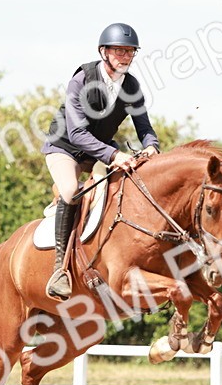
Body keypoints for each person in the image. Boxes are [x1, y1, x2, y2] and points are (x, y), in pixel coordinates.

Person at [41, 22, 161, 299]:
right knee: (72, 191)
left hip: (101, 150)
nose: (125, 56)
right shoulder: (82, 79)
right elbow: (77, 133)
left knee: (131, 184)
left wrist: (152, 146)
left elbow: (144, 126)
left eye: (130, 52)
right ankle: (60, 269)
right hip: (65, 147)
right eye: (119, 51)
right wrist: (115, 155)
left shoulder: (131, 86)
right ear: (103, 52)